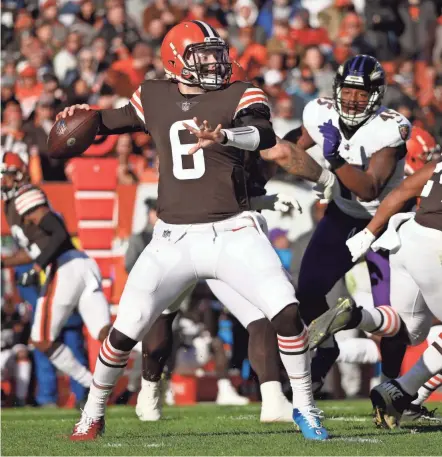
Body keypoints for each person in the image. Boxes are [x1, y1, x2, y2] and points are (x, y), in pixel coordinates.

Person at [61, 20, 328, 441]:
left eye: (217, 53)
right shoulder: (153, 94)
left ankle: (306, 409)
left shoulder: (240, 91)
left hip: (233, 230)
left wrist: (224, 134)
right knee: (125, 328)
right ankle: (92, 415)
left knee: (286, 311)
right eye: (202, 55)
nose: (215, 63)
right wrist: (80, 118)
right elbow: (108, 122)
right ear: (175, 60)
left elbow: (261, 133)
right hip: (172, 238)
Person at [260, 54, 412, 392]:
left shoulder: (389, 127)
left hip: (386, 222)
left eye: (362, 93)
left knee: (389, 311)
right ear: (337, 89)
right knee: (309, 290)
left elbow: (369, 188)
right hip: (342, 216)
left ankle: (390, 385)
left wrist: (333, 160)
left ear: (376, 95)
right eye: (348, 91)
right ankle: (327, 348)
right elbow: (293, 143)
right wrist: (264, 164)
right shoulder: (321, 111)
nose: (353, 99)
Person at [341, 157, 442, 429]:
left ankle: (357, 318)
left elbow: (402, 191)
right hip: (436, 246)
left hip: (407, 238)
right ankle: (401, 391)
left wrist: (368, 232)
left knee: (411, 331)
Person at [0, 152, 111, 389]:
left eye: (5, 176)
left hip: (65, 266)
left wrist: (39, 266)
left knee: (40, 339)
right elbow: (34, 248)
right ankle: (148, 360)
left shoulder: (25, 196)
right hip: (80, 265)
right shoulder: (15, 204)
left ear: (17, 176)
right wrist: (4, 263)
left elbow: (59, 233)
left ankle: (91, 386)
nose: (2, 182)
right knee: (106, 335)